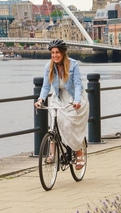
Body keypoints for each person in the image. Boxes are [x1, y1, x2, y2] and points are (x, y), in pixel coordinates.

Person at [35, 39, 88, 169]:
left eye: (57, 52)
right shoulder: (49, 67)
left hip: (73, 97)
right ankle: (52, 153)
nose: (55, 55)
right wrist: (40, 99)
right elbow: (46, 86)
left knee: (68, 123)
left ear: (63, 53)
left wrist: (77, 101)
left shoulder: (73, 65)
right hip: (58, 97)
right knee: (54, 122)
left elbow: (77, 85)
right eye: (52, 53)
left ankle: (78, 150)